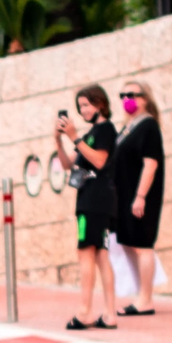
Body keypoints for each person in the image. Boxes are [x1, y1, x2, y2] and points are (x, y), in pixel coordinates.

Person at [54, 85, 118, 330]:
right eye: (80, 106)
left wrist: (74, 137)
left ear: (100, 104)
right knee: (101, 255)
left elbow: (100, 161)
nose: (83, 111)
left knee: (86, 254)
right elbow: (69, 164)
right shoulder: (93, 133)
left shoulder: (105, 130)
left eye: (86, 105)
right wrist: (59, 139)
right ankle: (110, 313)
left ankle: (85, 311)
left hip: (94, 200)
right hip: (94, 199)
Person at [105, 79, 166, 315]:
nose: (126, 99)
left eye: (132, 94)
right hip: (124, 197)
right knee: (129, 244)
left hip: (140, 197)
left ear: (145, 98)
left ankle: (146, 299)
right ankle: (140, 294)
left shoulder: (148, 126)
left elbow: (150, 164)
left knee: (142, 245)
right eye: (122, 95)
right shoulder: (128, 127)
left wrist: (140, 196)